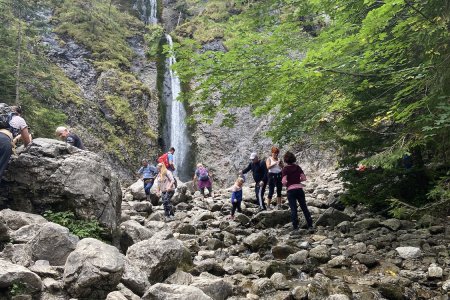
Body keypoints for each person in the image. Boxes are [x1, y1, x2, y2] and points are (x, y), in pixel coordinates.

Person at [282, 151, 313, 231]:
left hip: (291, 191)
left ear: (285, 160)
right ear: (293, 159)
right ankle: (310, 226)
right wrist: (297, 181)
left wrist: (288, 184)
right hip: (299, 189)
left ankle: (295, 227)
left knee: (293, 209)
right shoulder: (298, 167)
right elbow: (304, 178)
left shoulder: (285, 169)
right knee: (304, 207)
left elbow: (284, 181)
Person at [0, 106, 31, 185]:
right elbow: (27, 141)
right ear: (19, 114)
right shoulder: (19, 119)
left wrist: (16, 139)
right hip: (4, 142)